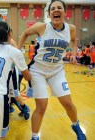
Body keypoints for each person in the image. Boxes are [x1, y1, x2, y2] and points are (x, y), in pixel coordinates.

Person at [18, 0, 86, 140]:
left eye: (59, 8)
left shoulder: (71, 28)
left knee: (68, 103)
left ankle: (75, 124)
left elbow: (74, 40)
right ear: (49, 14)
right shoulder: (42, 26)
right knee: (42, 106)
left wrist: (73, 54)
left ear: (64, 12)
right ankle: (35, 136)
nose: (56, 10)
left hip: (57, 71)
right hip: (38, 71)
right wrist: (18, 51)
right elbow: (25, 33)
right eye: (53, 8)